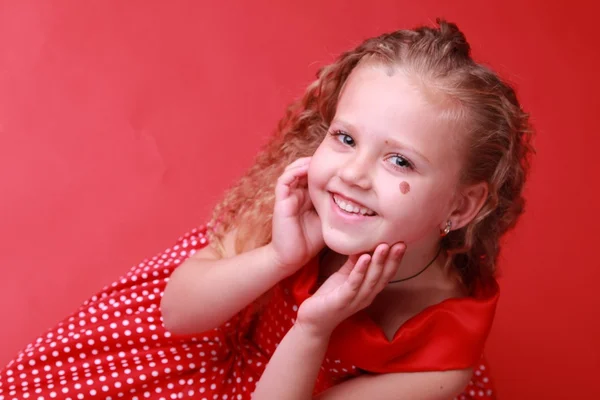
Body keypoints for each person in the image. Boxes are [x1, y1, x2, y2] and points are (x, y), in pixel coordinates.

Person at [0, 19, 533, 400]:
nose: (352, 174)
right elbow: (178, 315)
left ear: (462, 206)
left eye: (399, 161)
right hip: (214, 350)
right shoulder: (303, 203)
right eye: (345, 138)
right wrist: (279, 257)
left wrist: (314, 327)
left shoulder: (442, 354)